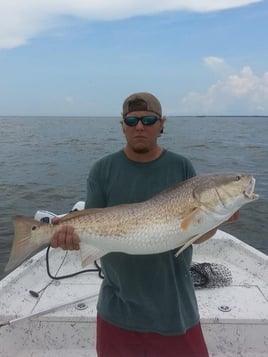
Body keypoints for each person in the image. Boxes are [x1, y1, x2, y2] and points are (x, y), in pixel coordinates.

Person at [51, 92, 238, 357]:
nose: (140, 126)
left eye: (149, 120)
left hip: (175, 309)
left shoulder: (181, 166)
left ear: (162, 124)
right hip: (117, 309)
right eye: (132, 120)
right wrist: (69, 237)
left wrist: (216, 219)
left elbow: (195, 235)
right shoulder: (102, 170)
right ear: (122, 126)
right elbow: (91, 222)